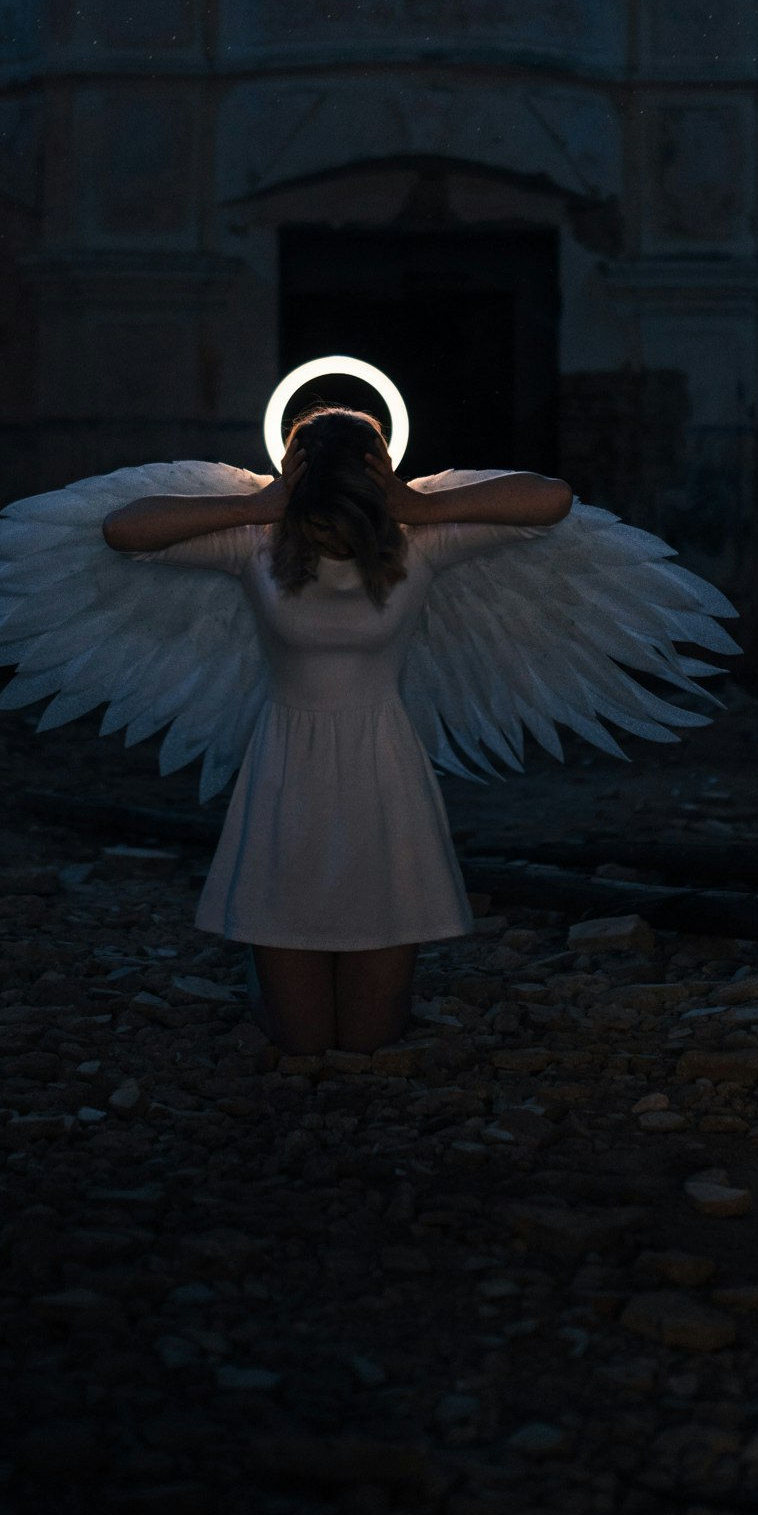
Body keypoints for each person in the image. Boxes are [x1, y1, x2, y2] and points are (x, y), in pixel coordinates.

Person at [101, 406, 572, 1056]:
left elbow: (552, 499)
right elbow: (123, 529)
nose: (335, 537)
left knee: (368, 1044)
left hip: (385, 781)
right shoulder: (256, 547)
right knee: (304, 1044)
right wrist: (258, 506)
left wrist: (416, 504)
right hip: (286, 779)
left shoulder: (419, 543)